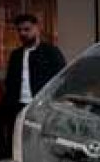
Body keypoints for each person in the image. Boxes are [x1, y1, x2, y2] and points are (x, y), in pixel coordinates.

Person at [4, 14, 66, 146]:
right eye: (19, 30)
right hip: (18, 106)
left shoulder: (51, 52)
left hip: (42, 106)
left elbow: (62, 78)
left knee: (41, 142)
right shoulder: (16, 55)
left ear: (37, 29)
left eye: (27, 29)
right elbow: (10, 81)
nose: (23, 33)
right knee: (20, 143)